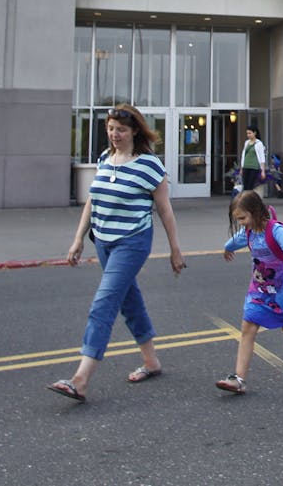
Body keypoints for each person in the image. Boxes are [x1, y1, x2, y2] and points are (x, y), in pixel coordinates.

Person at [49, 105, 186, 403]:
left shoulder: (149, 165)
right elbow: (92, 201)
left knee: (105, 302)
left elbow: (165, 210)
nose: (114, 134)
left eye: (121, 129)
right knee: (128, 300)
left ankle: (80, 379)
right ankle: (152, 362)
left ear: (135, 130)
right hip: (103, 241)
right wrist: (78, 240)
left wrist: (176, 250)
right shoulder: (104, 159)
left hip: (132, 241)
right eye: (111, 128)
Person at [215, 190, 283, 394]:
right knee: (247, 327)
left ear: (255, 212)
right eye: (238, 219)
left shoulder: (275, 230)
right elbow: (236, 240)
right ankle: (239, 379)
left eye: (243, 218)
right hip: (259, 289)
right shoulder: (249, 231)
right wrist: (227, 248)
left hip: (281, 291)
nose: (241, 222)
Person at [240, 125, 267, 192]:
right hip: (246, 166)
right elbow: (243, 156)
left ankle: (249, 200)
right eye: (247, 133)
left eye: (250, 133)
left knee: (250, 186)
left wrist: (263, 171)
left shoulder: (259, 143)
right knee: (245, 186)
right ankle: (245, 201)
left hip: (254, 167)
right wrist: (241, 168)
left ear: (254, 133)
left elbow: (262, 157)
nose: (248, 135)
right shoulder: (246, 143)